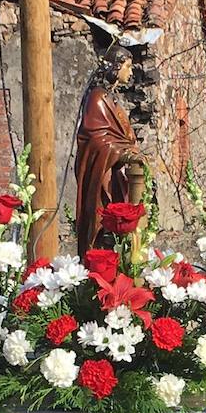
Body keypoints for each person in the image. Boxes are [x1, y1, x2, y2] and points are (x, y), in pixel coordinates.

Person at [74, 44, 143, 255]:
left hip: (117, 177)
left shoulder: (111, 99)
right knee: (103, 230)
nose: (130, 72)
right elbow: (94, 139)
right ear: (115, 67)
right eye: (128, 66)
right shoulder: (97, 98)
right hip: (102, 175)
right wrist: (121, 153)